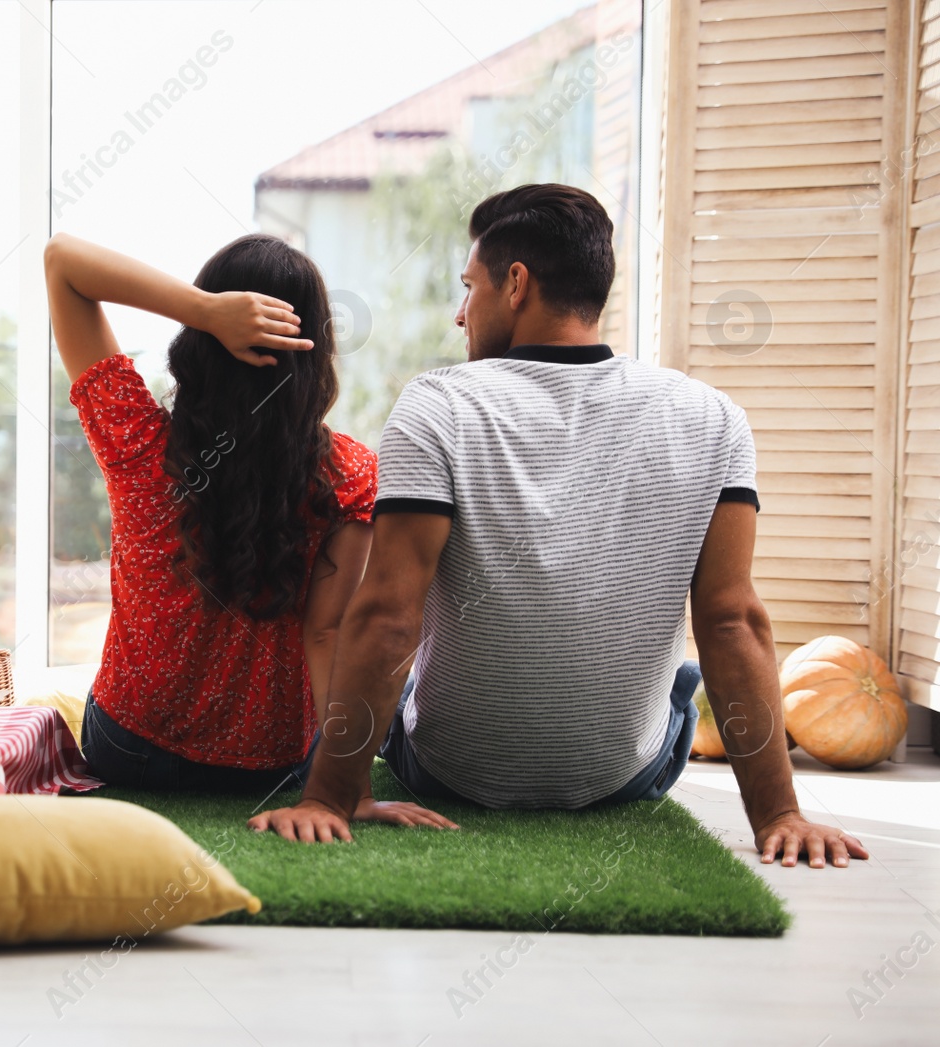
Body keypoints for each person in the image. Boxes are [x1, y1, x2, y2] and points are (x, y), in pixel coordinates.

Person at [250, 184, 870, 870]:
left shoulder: (437, 405)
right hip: (623, 779)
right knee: (687, 672)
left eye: (469, 287)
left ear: (516, 284)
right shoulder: (713, 415)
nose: (461, 315)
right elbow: (733, 619)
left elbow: (389, 615)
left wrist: (327, 800)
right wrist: (781, 814)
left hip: (450, 774)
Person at [43, 232, 376, 793]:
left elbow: (63, 261)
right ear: (317, 350)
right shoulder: (349, 474)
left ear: (198, 344)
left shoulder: (138, 442)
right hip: (269, 768)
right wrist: (350, 789)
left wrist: (205, 310)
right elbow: (328, 635)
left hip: (130, 748)